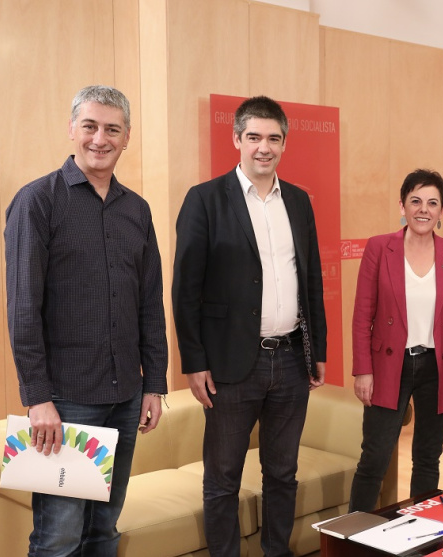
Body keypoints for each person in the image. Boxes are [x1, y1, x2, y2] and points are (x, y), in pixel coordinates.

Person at [5, 85, 168, 556]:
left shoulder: (137, 210)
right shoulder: (37, 201)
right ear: (72, 129)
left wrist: (154, 384)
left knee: (103, 531)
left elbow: (149, 304)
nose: (100, 139)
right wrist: (38, 398)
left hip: (126, 395)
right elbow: (23, 309)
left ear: (127, 137)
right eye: (90, 126)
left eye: (112, 129)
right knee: (58, 539)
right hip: (66, 401)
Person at [172, 95, 326, 557]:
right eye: (254, 137)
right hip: (230, 366)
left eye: (273, 138)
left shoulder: (297, 200)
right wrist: (194, 361)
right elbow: (185, 289)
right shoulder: (204, 200)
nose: (264, 147)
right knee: (223, 479)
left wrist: (317, 349)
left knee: (283, 474)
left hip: (291, 360)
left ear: (284, 144)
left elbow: (311, 280)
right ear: (237, 139)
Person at [348, 169, 443, 512]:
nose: (423, 209)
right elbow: (362, 315)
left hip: (439, 366)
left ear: (442, 210)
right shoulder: (379, 247)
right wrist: (363, 370)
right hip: (389, 365)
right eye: (415, 201)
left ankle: (424, 533)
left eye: (432, 203)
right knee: (375, 458)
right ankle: (351, 535)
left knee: (428, 458)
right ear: (402, 205)